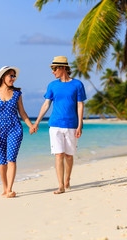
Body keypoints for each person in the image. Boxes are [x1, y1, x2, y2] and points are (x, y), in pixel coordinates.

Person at [32, 56, 86, 194]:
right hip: (55, 125)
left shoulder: (77, 84)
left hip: (72, 125)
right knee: (59, 155)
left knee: (69, 155)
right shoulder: (52, 85)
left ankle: (67, 179)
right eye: (52, 68)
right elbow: (46, 104)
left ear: (63, 68)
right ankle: (61, 185)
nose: (52, 71)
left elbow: (80, 105)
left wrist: (80, 125)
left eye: (54, 68)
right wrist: (37, 122)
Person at [0, 66, 34, 198]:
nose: (13, 78)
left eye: (14, 76)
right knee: (2, 161)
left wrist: (30, 126)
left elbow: (22, 112)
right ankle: (4, 188)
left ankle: (10, 189)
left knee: (11, 159)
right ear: (3, 77)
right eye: (11, 76)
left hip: (14, 128)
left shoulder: (17, 94)